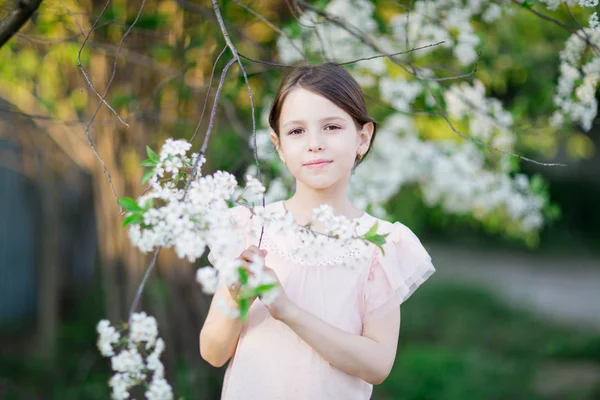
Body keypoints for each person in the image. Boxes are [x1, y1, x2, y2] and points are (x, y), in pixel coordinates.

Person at [199, 63, 435, 399]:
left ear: (363, 138)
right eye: (296, 131)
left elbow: (378, 364)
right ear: (278, 145)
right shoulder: (252, 228)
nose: (314, 144)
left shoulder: (378, 244)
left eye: (332, 127)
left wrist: (288, 311)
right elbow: (213, 351)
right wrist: (238, 299)